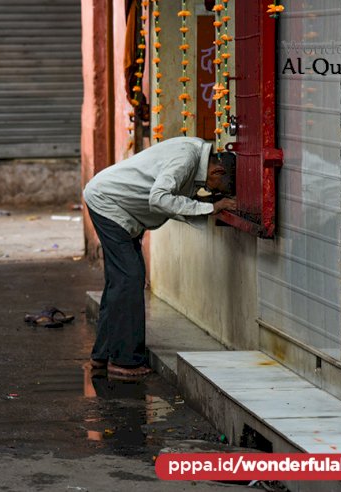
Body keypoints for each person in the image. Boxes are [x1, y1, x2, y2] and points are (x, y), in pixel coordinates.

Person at [83, 137, 237, 377]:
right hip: (108, 203)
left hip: (115, 205)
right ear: (217, 169)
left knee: (120, 281)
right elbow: (159, 198)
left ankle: (102, 355)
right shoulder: (186, 158)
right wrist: (210, 207)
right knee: (130, 278)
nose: (212, 190)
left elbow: (175, 199)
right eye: (217, 186)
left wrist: (207, 203)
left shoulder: (194, 156)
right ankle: (124, 360)